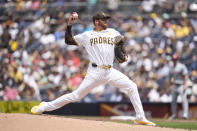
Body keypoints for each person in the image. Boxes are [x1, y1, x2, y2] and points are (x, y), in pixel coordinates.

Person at [31, 12, 155, 126]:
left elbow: (120, 43)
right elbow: (69, 40)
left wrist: (124, 54)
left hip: (110, 71)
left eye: (106, 19)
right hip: (95, 72)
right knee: (76, 96)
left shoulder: (113, 32)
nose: (106, 21)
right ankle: (44, 106)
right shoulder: (87, 35)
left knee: (132, 86)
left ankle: (140, 117)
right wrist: (69, 25)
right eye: (103, 19)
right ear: (96, 21)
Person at [168, 54, 189, 120]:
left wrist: (185, 85)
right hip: (174, 85)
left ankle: (185, 114)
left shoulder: (181, 66)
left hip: (181, 85)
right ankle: (174, 115)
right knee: (173, 101)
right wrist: (170, 85)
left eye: (175, 59)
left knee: (184, 100)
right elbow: (170, 77)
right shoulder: (171, 67)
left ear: (177, 59)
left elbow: (185, 76)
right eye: (173, 59)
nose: (174, 61)